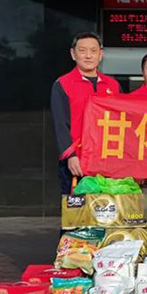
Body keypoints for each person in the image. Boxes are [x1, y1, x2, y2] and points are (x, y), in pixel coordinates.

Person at [50, 31, 120, 194]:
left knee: (107, 207)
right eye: (82, 51)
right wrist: (70, 155)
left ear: (100, 54)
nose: (88, 56)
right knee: (78, 207)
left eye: (93, 51)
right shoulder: (63, 84)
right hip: (77, 160)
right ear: (73, 54)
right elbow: (60, 124)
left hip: (107, 160)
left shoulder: (113, 85)